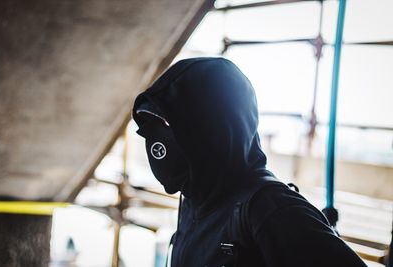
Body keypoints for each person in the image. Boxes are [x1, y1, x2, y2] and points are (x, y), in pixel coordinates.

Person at [132, 57, 367, 267]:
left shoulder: (272, 208)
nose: (159, 143)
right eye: (154, 127)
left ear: (214, 128)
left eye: (171, 126)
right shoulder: (195, 200)